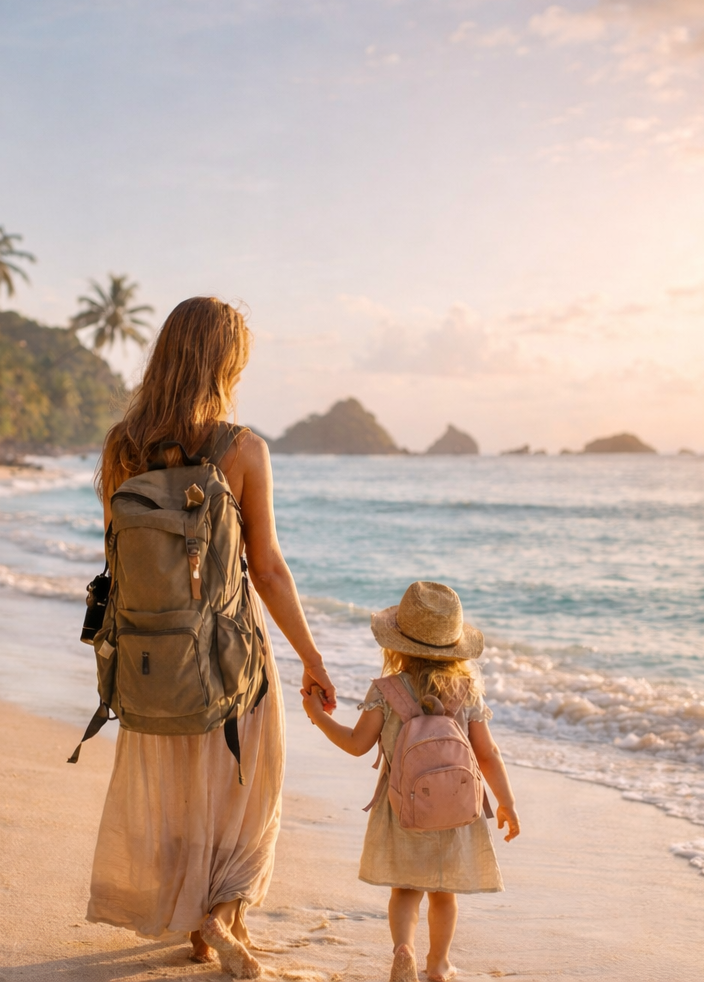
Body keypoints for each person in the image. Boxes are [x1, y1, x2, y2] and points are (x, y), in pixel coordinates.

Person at [86, 296, 336, 979]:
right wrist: (312, 657)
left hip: (151, 652)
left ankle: (195, 915)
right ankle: (220, 921)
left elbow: (119, 558)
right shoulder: (243, 447)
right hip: (232, 655)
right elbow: (270, 570)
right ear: (225, 362)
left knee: (180, 790)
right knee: (249, 791)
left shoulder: (123, 445)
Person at [302, 580, 520, 982]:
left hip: (401, 806)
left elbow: (356, 744)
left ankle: (403, 949)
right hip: (456, 812)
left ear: (397, 643)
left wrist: (318, 716)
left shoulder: (386, 690)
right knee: (443, 893)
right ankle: (438, 964)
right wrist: (505, 802)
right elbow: (487, 754)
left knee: (404, 890)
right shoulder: (467, 690)